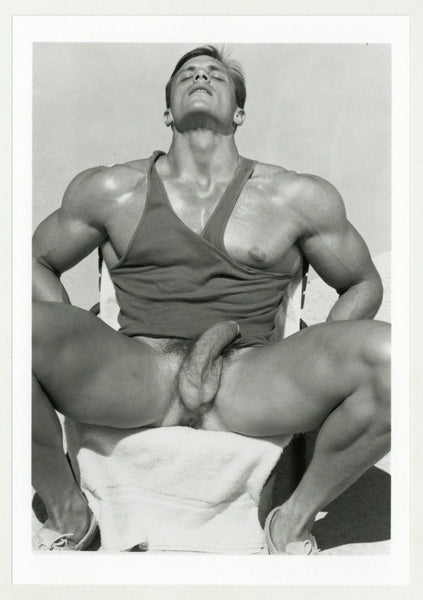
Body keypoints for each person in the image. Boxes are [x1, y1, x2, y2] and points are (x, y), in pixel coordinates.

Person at [32, 45, 390, 553]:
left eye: (215, 74)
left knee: (398, 359)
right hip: (138, 371)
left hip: (248, 376)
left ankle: (291, 523)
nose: (200, 75)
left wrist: (323, 346)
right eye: (187, 74)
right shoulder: (111, 189)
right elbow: (35, 260)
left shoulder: (295, 197)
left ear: (239, 112)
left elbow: (363, 281)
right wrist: (75, 332)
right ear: (167, 112)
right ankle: (69, 512)